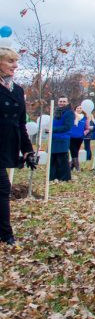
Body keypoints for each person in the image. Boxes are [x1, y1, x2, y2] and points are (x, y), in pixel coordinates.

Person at [0, 46, 37, 246]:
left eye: (15, 61)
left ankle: (5, 234)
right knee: (3, 187)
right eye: (10, 61)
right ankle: (6, 234)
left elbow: (21, 124)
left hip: (7, 145)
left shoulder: (17, 90)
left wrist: (28, 151)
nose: (15, 66)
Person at [50, 97, 74, 182]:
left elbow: (67, 127)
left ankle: (64, 178)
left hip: (63, 139)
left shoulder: (69, 113)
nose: (62, 103)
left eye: (64, 101)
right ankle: (53, 177)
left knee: (62, 160)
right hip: (53, 139)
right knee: (53, 159)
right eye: (60, 101)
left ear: (67, 102)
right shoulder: (56, 112)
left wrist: (53, 130)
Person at [68, 104, 87, 174]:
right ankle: (77, 168)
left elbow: (87, 128)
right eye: (77, 108)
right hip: (71, 137)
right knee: (74, 152)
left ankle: (70, 166)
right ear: (75, 109)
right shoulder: (71, 117)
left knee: (76, 152)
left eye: (80, 108)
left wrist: (84, 133)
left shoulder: (84, 118)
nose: (79, 109)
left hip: (80, 138)